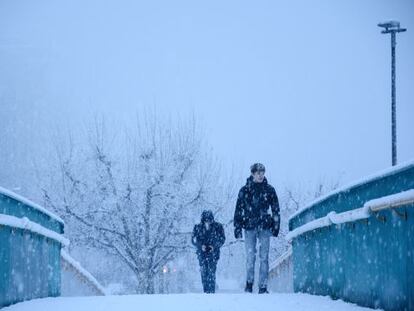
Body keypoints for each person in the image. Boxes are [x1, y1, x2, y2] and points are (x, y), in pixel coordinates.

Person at [234, 163, 280, 294]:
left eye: (262, 172)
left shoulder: (269, 190)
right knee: (250, 257)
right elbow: (238, 209)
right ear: (253, 174)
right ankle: (249, 284)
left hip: (265, 227)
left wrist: (276, 226)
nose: (260, 175)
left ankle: (263, 286)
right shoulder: (245, 190)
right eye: (258, 172)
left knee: (264, 257)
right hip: (249, 227)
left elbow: (276, 209)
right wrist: (237, 228)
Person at [192, 210, 226, 293]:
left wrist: (213, 246)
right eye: (205, 220)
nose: (207, 222)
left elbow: (222, 239)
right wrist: (200, 246)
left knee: (211, 271)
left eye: (209, 220)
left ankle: (211, 291)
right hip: (201, 253)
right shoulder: (197, 227)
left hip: (213, 253)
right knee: (204, 272)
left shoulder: (218, 227)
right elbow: (193, 240)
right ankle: (206, 291)